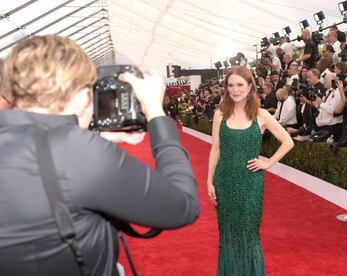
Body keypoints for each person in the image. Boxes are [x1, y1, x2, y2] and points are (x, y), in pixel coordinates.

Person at [0, 35, 199, 276]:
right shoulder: (78, 152)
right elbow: (182, 206)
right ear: (83, 94)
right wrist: (156, 112)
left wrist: (97, 140)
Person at [206, 66, 294, 275]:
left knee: (249, 233)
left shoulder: (261, 115)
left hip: (250, 183)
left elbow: (287, 141)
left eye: (239, 85)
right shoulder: (220, 114)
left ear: (250, 86)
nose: (235, 90)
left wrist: (267, 163)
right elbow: (215, 149)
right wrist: (209, 181)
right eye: (230, 85)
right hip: (224, 181)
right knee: (227, 233)